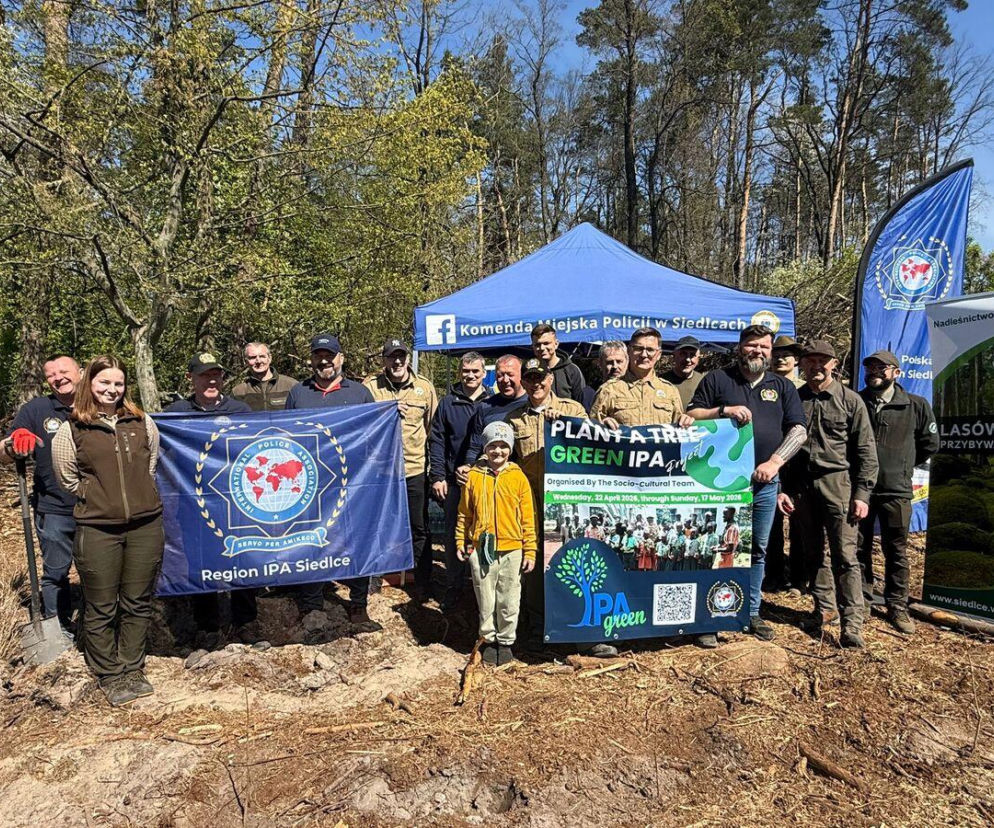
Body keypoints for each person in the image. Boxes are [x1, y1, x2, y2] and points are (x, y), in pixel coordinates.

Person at [51, 355, 163, 707]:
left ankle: (131, 666)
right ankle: (109, 673)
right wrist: (95, 495)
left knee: (137, 601)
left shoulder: (142, 422)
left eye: (118, 383)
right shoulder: (73, 429)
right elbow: (68, 478)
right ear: (90, 385)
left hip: (145, 525)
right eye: (104, 383)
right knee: (101, 604)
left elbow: (151, 464)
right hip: (98, 528)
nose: (111, 390)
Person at [688, 324, 807, 647]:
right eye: (751, 345)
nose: (757, 351)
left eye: (764, 347)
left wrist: (775, 463)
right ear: (740, 347)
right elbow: (691, 415)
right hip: (721, 483)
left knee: (757, 550)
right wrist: (722, 411)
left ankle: (750, 612)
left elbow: (798, 430)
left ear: (771, 352)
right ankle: (710, 616)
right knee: (717, 548)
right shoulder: (717, 379)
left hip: (764, 483)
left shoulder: (782, 386)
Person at [778, 340, 878, 649]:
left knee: (846, 557)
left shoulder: (850, 401)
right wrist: (786, 489)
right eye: (810, 361)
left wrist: (861, 494)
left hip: (838, 486)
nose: (816, 366)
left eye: (823, 360)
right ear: (802, 365)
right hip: (803, 487)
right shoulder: (794, 399)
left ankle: (852, 624)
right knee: (812, 553)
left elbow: (866, 451)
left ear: (834, 364)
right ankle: (824, 609)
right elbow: (784, 447)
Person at [164, 353, 254, 641]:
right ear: (191, 378)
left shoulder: (240, 410)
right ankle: (208, 627)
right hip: (192, 504)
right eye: (204, 375)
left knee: (243, 559)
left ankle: (246, 622)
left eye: (217, 374)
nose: (212, 380)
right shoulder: (174, 413)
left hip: (236, 503)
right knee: (200, 562)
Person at [286, 333, 375, 622]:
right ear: (311, 359)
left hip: (352, 483)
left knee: (356, 540)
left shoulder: (360, 393)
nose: (324, 361)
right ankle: (312, 602)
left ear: (341, 358)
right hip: (310, 485)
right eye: (318, 355)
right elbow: (286, 436)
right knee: (310, 540)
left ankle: (358, 601)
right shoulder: (298, 393)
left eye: (330, 355)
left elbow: (374, 435)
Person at [505, 358, 587, 644]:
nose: (536, 383)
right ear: (523, 382)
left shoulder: (573, 409)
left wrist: (567, 425)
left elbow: (594, 447)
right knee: (535, 564)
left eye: (541, 378)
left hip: (566, 507)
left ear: (550, 379)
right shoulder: (514, 419)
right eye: (529, 379)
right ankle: (538, 626)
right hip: (532, 506)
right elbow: (503, 457)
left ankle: (574, 622)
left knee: (567, 562)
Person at [857, 349, 938, 634]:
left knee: (897, 550)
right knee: (858, 548)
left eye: (882, 368)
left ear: (896, 372)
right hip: (860, 491)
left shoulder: (915, 405)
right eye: (871, 368)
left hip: (896, 490)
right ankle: (863, 601)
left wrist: (901, 467)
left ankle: (897, 606)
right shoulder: (857, 401)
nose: (875, 372)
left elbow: (929, 444)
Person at [0, 356, 81, 635]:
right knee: (56, 572)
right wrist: (13, 444)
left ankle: (98, 627)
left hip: (97, 507)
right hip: (53, 507)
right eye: (51, 375)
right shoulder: (36, 409)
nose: (58, 378)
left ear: (80, 371)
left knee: (100, 573)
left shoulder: (97, 403)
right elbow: (3, 453)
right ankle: (56, 629)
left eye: (64, 371)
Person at [456, 421, 536, 667]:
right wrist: (461, 540)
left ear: (509, 449)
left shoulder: (518, 478)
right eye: (493, 446)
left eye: (503, 446)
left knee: (509, 598)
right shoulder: (474, 478)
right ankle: (488, 640)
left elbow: (527, 516)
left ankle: (506, 641)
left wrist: (530, 549)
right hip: (482, 549)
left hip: (512, 548)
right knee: (485, 597)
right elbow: (464, 514)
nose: (498, 451)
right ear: (485, 448)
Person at [365, 338, 439, 602]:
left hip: (413, 468)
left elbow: (432, 429)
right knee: (378, 526)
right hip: (381, 472)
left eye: (401, 356)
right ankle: (373, 578)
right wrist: (384, 411)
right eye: (391, 357)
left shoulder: (424, 388)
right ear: (383, 360)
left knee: (419, 528)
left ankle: (421, 581)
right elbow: (362, 425)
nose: (397, 362)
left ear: (408, 358)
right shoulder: (371, 387)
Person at [428, 352, 490, 611]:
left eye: (476, 371)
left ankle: (482, 591)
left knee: (485, 535)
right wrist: (439, 476)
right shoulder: (447, 403)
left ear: (484, 373)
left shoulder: (493, 402)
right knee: (456, 535)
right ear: (460, 372)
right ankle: (454, 588)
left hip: (486, 482)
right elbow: (437, 440)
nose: (471, 376)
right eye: (466, 371)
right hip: (455, 481)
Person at [590, 328, 691, 429]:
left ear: (659, 354)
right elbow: (589, 431)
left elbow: (679, 433)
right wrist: (602, 424)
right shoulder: (609, 390)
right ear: (629, 351)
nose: (644, 355)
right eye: (638, 348)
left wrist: (685, 421)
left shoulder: (670, 391)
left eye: (650, 350)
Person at [766, 335, 805, 593]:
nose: (782, 358)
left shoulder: (804, 387)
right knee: (772, 525)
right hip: (772, 462)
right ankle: (775, 574)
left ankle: (800, 577)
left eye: (787, 354)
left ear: (796, 359)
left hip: (800, 464)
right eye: (777, 354)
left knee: (802, 523)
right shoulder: (764, 385)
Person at [462, 355, 528, 466]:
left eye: (510, 375)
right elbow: (475, 447)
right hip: (491, 477)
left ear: (521, 375)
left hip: (526, 477)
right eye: (500, 375)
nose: (505, 380)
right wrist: (468, 466)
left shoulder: (532, 404)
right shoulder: (485, 406)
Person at [230, 342, 298, 411]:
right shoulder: (238, 392)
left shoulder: (291, 386)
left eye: (262, 356)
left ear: (270, 358)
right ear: (246, 361)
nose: (258, 361)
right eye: (252, 358)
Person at [530, 323, 585, 403]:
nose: (542, 348)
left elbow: (582, 403)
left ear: (556, 344)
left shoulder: (572, 370)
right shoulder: (529, 372)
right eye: (537, 345)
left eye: (546, 343)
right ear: (533, 347)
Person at [662, 335, 707, 410]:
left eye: (692, 355)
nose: (688, 359)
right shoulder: (661, 381)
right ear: (674, 356)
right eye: (683, 354)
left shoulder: (704, 382)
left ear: (698, 359)